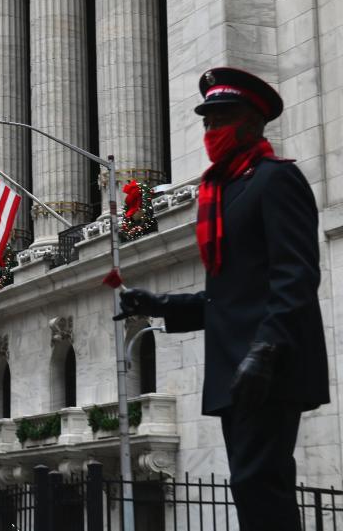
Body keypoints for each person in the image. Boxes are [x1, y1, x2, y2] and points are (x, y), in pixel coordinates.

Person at [115, 67, 329, 531]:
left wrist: (267, 349)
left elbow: (296, 275)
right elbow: (229, 299)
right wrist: (159, 304)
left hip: (267, 363)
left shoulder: (274, 181)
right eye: (207, 122)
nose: (212, 131)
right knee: (252, 484)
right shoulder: (224, 190)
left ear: (253, 122)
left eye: (222, 119)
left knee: (259, 481)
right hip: (238, 364)